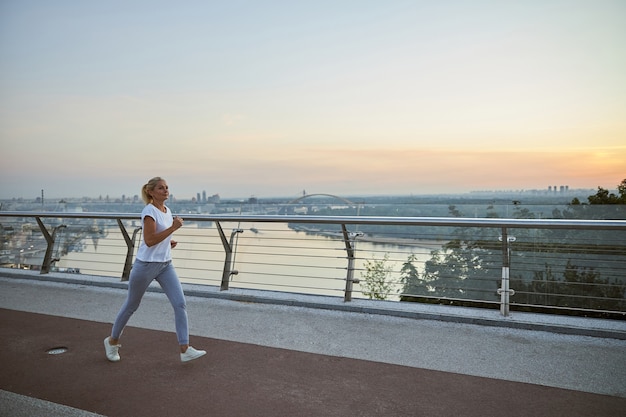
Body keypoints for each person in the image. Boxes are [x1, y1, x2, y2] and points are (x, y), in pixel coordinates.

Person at [104, 177, 206, 363]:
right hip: (146, 266)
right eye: (161, 188)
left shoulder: (167, 211)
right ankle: (112, 341)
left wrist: (168, 242)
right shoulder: (149, 211)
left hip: (165, 265)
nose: (165, 190)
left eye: (167, 187)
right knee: (131, 305)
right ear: (151, 191)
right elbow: (150, 240)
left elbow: (160, 238)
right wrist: (173, 228)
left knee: (180, 303)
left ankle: (185, 349)